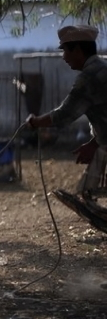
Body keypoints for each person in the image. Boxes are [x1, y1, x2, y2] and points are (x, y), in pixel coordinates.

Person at [26, 25, 107, 195]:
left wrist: (35, 122)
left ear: (77, 50)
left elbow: (64, 115)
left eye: (65, 51)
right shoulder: (103, 68)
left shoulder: (88, 78)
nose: (64, 57)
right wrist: (94, 143)